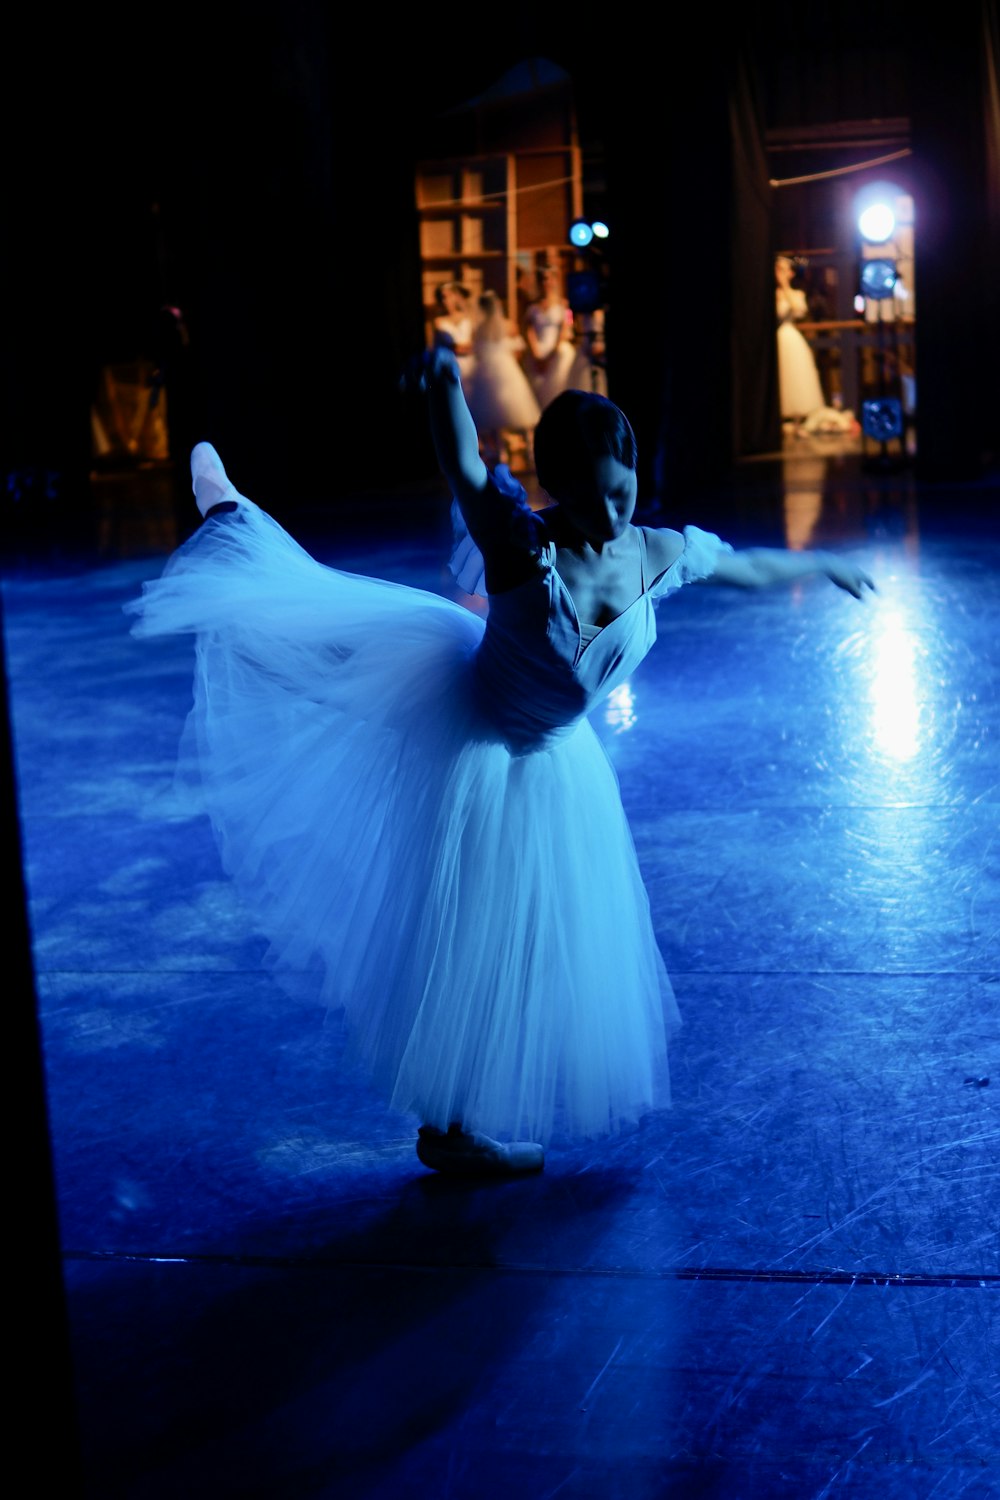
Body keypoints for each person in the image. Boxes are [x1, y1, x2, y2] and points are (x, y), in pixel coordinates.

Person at [125, 348, 874, 1179]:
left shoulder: (655, 551)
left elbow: (744, 564)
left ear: (632, 471)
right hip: (476, 742)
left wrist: (820, 562)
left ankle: (461, 1125)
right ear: (555, 487)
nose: (608, 510)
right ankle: (232, 515)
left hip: (555, 761)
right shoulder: (522, 545)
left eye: (619, 488)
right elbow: (465, 465)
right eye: (586, 494)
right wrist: (446, 383)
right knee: (459, 929)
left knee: (536, 944)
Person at [463, 289, 541, 469]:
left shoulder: (481, 328)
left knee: (495, 415)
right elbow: (517, 345)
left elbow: (477, 350)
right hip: (505, 368)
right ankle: (528, 447)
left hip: (489, 371)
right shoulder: (506, 324)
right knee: (518, 411)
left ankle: (501, 451)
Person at [775, 254, 825, 424]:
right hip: (776, 336)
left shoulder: (796, 293)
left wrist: (784, 285)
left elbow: (798, 310)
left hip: (789, 336)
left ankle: (797, 417)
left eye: (783, 270)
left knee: (794, 374)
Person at [522, 264, 578, 410]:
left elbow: (566, 329)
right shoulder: (532, 307)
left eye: (548, 279)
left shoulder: (564, 304)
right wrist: (536, 354)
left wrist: (551, 356)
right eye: (542, 279)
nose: (545, 283)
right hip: (538, 351)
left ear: (554, 281)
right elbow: (528, 330)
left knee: (559, 387)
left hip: (558, 351)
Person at [431, 280, 476, 384]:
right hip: (451, 365)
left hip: (470, 364)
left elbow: (477, 341)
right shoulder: (439, 322)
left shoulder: (468, 318)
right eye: (442, 297)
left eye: (448, 296)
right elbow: (442, 347)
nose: (445, 301)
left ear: (456, 297)